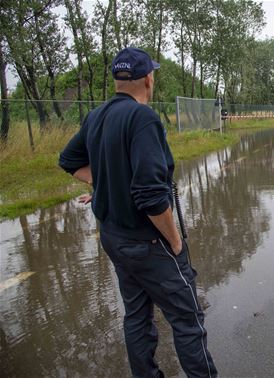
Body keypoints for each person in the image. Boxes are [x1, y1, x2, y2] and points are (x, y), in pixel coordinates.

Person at [59, 47, 217, 378]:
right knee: (187, 320)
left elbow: (70, 161)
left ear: (118, 79)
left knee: (137, 315)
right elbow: (150, 194)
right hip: (149, 242)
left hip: (113, 238)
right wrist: (174, 241)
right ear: (148, 78)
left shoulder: (96, 116)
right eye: (153, 75)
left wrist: (104, 183)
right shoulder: (142, 117)